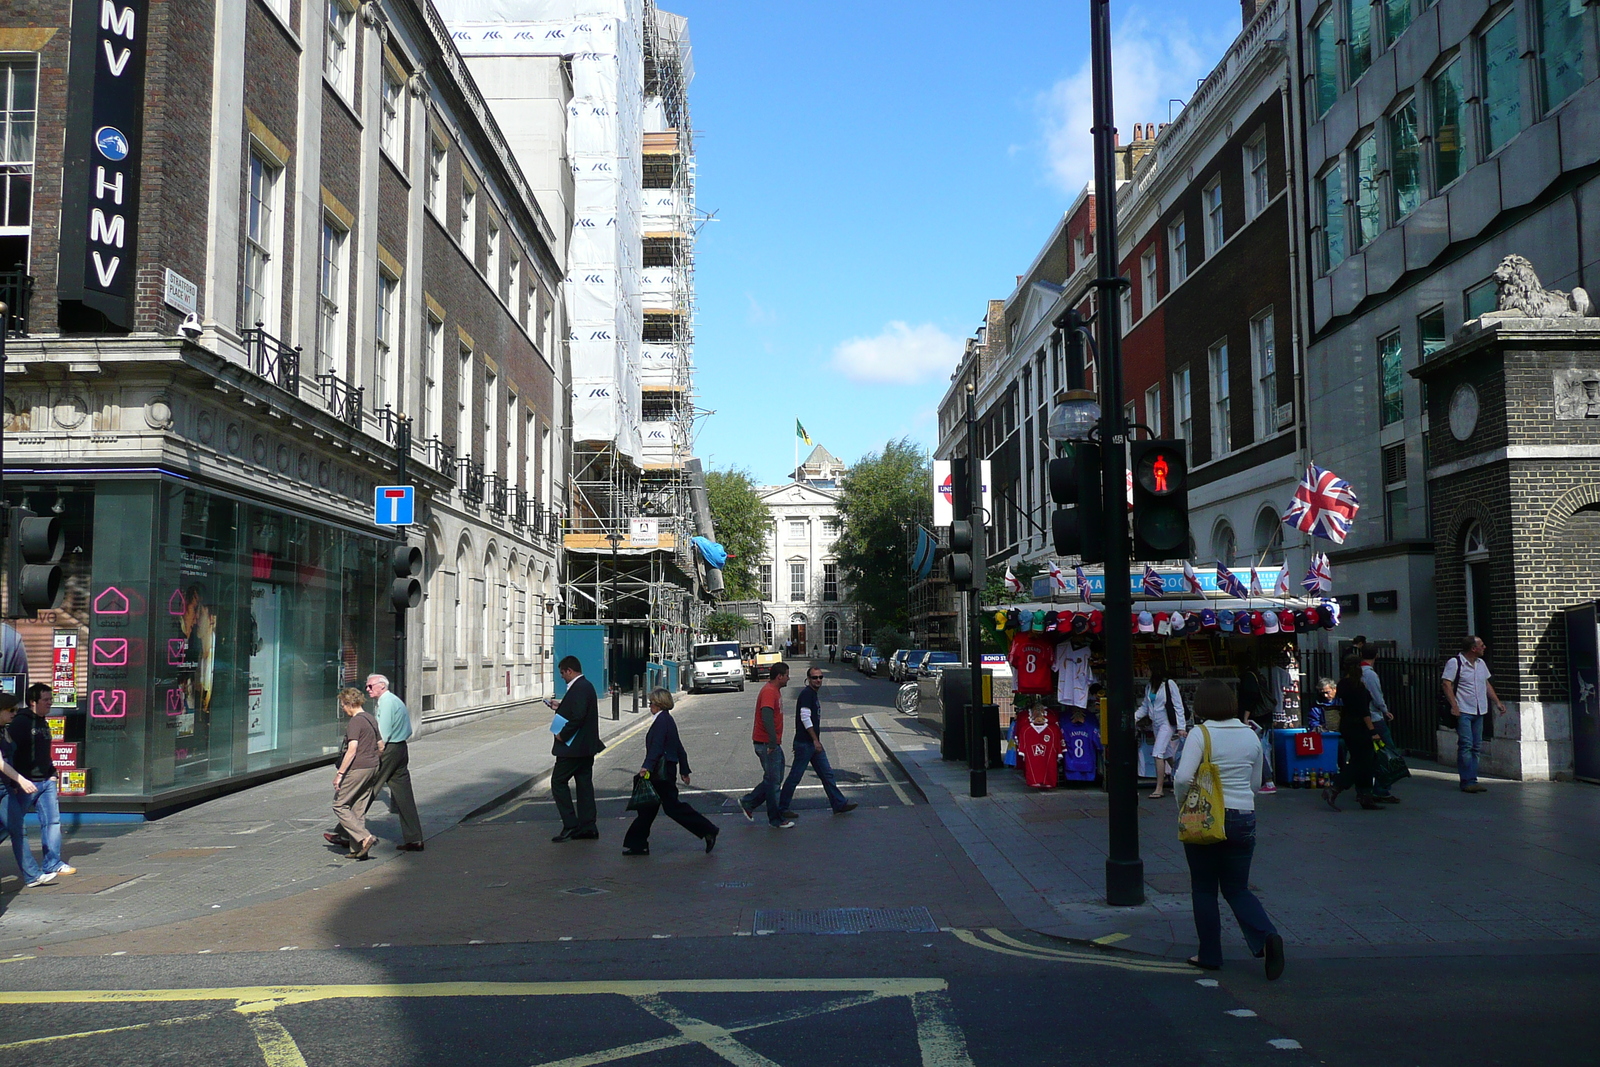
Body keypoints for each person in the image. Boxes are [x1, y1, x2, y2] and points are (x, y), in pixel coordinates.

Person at [1173, 678, 1284, 979]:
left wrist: (1183, 804)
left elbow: (1183, 778)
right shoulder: (1250, 736)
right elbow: (1257, 782)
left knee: (1204, 888)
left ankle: (1209, 954)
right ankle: (1267, 935)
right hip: (1244, 816)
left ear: (1202, 707)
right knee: (1237, 888)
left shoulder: (1201, 734)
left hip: (1208, 817)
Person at [326, 674, 425, 852]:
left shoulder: (387, 703)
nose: (367, 689)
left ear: (382, 686)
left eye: (371, 686)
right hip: (401, 748)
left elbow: (383, 734)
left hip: (389, 751)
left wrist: (372, 756)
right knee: (404, 796)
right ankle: (414, 838)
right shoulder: (394, 700)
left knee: (367, 789)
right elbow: (407, 729)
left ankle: (347, 833)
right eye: (367, 686)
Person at [622, 689, 719, 856]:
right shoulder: (667, 720)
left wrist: (646, 766)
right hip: (665, 770)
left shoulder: (662, 721)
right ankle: (638, 844)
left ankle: (708, 830)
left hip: (661, 773)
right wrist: (684, 769)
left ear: (659, 704)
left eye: (651, 702)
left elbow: (657, 747)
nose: (649, 705)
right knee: (647, 809)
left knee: (671, 807)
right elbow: (678, 747)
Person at [6, 683, 72, 885]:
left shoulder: (43, 722)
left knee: (52, 822)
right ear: (33, 702)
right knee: (10, 825)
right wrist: (16, 781)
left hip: (45, 781)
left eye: (51, 699)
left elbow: (44, 751)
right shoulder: (21, 723)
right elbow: (10, 754)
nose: (50, 703)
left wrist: (52, 773)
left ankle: (52, 862)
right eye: (46, 700)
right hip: (26, 783)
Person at [777, 667, 858, 818]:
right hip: (806, 744)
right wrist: (815, 740)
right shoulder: (807, 694)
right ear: (808, 679)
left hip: (812, 744)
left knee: (827, 775)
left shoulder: (812, 694)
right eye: (815, 677)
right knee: (795, 777)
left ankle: (838, 804)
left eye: (820, 677)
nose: (818, 680)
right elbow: (805, 717)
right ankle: (781, 808)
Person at [551, 655, 606, 842]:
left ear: (569, 670)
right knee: (584, 785)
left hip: (573, 748)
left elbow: (578, 716)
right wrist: (560, 707)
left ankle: (570, 824)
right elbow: (575, 709)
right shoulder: (584, 686)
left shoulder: (580, 687)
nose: (561, 676)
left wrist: (562, 734)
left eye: (562, 673)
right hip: (585, 748)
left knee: (558, 782)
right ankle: (588, 826)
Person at [1442, 635, 1505, 793]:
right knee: (1466, 744)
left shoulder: (1481, 663)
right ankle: (1467, 781)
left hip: (1480, 709)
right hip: (1464, 709)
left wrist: (1497, 702)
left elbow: (1486, 683)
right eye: (1481, 645)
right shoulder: (1455, 662)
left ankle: (1473, 778)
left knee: (1476, 746)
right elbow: (1446, 684)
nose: (1484, 648)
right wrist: (1454, 705)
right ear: (1473, 648)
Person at [1323, 656, 1385, 811]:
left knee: (1364, 760)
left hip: (1347, 725)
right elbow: (1364, 711)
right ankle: (1336, 787)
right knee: (1362, 761)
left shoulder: (1343, 684)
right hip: (1359, 727)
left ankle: (1365, 796)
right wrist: (1373, 731)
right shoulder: (1357, 686)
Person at [739, 662, 795, 828]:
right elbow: (766, 715)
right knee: (774, 783)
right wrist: (771, 741)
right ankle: (776, 819)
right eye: (786, 675)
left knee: (773, 779)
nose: (788, 678)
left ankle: (748, 802)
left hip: (770, 742)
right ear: (779, 676)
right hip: (767, 743)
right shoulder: (769, 692)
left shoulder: (772, 690)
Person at [330, 686, 381, 859]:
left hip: (358, 768)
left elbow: (352, 749)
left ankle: (365, 837)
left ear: (349, 703)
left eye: (342, 705)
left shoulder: (356, 721)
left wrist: (340, 774)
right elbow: (381, 745)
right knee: (358, 807)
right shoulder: (371, 719)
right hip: (373, 767)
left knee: (340, 804)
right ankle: (358, 849)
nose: (342, 709)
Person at [0, 691, 39, 867]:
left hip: (5, 787)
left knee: (17, 829)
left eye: (16, 709)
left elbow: (10, 759)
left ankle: (32, 875)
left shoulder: (5, 731)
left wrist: (14, 783)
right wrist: (22, 781)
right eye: (10, 710)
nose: (14, 713)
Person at [1136, 663, 1186, 799]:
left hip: (1167, 722)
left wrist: (1181, 727)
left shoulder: (1169, 684)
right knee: (1167, 753)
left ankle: (1159, 788)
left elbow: (1178, 705)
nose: (1145, 670)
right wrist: (1134, 718)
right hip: (1156, 723)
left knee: (1158, 752)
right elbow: (1145, 707)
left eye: (1147, 668)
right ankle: (1181, 780)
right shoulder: (1149, 686)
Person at [1360, 654, 1400, 803]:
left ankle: (1363, 789)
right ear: (1375, 656)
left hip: (1360, 721)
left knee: (1366, 756)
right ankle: (1381, 789)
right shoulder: (1370, 674)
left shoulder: (1353, 677)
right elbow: (1377, 696)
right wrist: (1385, 710)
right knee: (1387, 753)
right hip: (1375, 719)